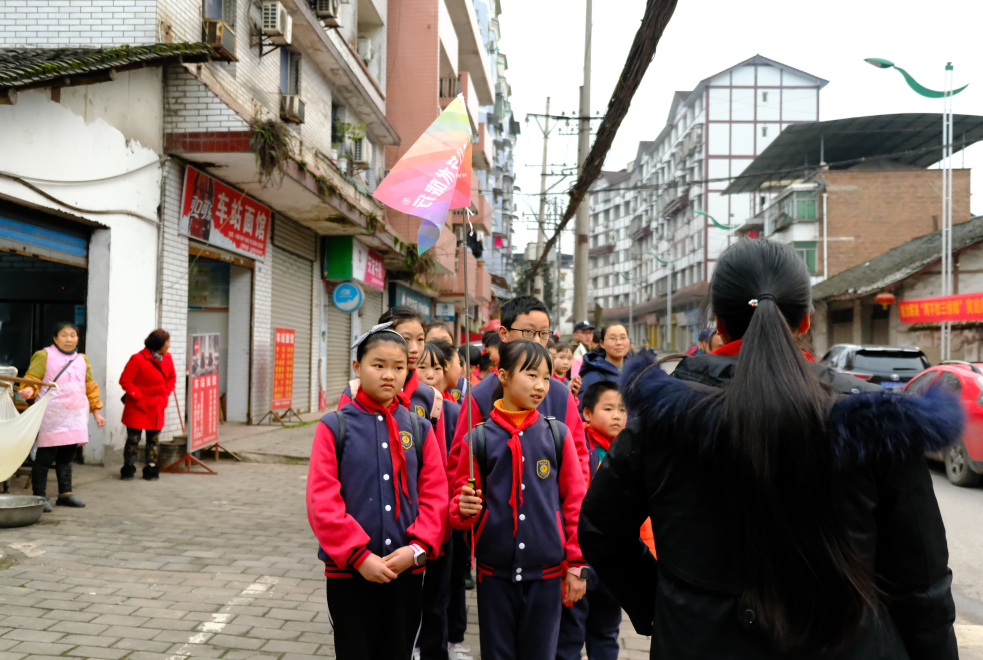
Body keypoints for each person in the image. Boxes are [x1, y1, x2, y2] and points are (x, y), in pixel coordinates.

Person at [579, 239, 961, 660]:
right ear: (804, 320)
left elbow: (601, 530)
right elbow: (921, 584)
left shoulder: (662, 417)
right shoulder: (878, 422)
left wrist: (666, 605)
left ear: (719, 323)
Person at [307, 327, 448, 660]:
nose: (389, 375)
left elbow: (435, 496)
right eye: (378, 365)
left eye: (399, 367)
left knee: (398, 650)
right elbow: (322, 501)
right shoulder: (334, 427)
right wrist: (358, 555)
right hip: (348, 574)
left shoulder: (419, 428)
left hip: (406, 572)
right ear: (357, 367)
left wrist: (416, 549)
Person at [451, 341, 588, 660]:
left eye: (546, 377)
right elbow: (459, 508)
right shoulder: (479, 438)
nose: (540, 385)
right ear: (503, 376)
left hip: (548, 574)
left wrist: (578, 564)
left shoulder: (558, 435)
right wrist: (463, 509)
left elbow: (575, 503)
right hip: (492, 573)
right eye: (530, 375)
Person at [447, 295, 591, 494]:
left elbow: (579, 458)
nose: (537, 341)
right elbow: (459, 465)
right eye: (528, 332)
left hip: (549, 516)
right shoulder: (479, 395)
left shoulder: (560, 394)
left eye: (543, 333)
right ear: (504, 334)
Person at [557, 381, 625, 660]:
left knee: (607, 631)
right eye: (608, 408)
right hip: (582, 557)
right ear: (586, 413)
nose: (617, 415)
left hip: (616, 559)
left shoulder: (629, 450)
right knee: (570, 634)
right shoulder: (579, 448)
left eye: (622, 409)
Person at [18, 322, 106, 511]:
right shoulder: (44, 355)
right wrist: (27, 390)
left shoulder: (83, 359)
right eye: (64, 335)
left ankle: (65, 494)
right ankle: (39, 497)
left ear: (78, 338)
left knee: (66, 457)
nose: (69, 339)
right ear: (55, 338)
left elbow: (89, 386)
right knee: (44, 458)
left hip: (75, 416)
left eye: (73, 335)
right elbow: (32, 380)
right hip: (51, 416)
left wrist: (97, 412)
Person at [338, 306, 447, 456]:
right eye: (406, 339)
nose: (414, 348)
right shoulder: (354, 392)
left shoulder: (433, 399)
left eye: (421, 339)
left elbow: (438, 462)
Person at [415, 341, 463, 660]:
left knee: (438, 593)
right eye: (422, 367)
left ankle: (437, 648)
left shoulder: (454, 411)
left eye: (437, 368)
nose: (430, 375)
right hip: (409, 519)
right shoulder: (402, 411)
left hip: (442, 520)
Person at [119, 329, 176, 481]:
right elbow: (125, 381)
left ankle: (151, 470)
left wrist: (165, 394)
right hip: (137, 407)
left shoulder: (168, 358)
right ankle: (128, 469)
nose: (169, 346)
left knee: (154, 441)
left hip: (157, 407)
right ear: (159, 345)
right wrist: (139, 397)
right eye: (167, 342)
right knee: (133, 440)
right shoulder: (138, 359)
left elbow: (171, 378)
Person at [575, 324, 630, 409]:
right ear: (602, 343)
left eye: (623, 338)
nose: (619, 343)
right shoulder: (592, 377)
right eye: (613, 338)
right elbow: (584, 412)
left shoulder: (638, 371)